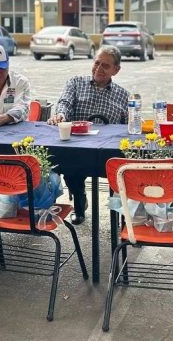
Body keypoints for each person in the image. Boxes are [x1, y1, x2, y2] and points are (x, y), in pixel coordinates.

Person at [47, 46, 130, 224]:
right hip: (78, 148)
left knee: (123, 169)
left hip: (107, 151)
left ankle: (122, 217)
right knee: (66, 164)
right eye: (97, 63)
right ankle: (79, 201)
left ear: (116, 70)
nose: (99, 69)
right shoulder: (76, 83)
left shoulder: (124, 96)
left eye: (105, 66)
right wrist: (61, 115)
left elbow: (128, 128)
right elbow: (65, 102)